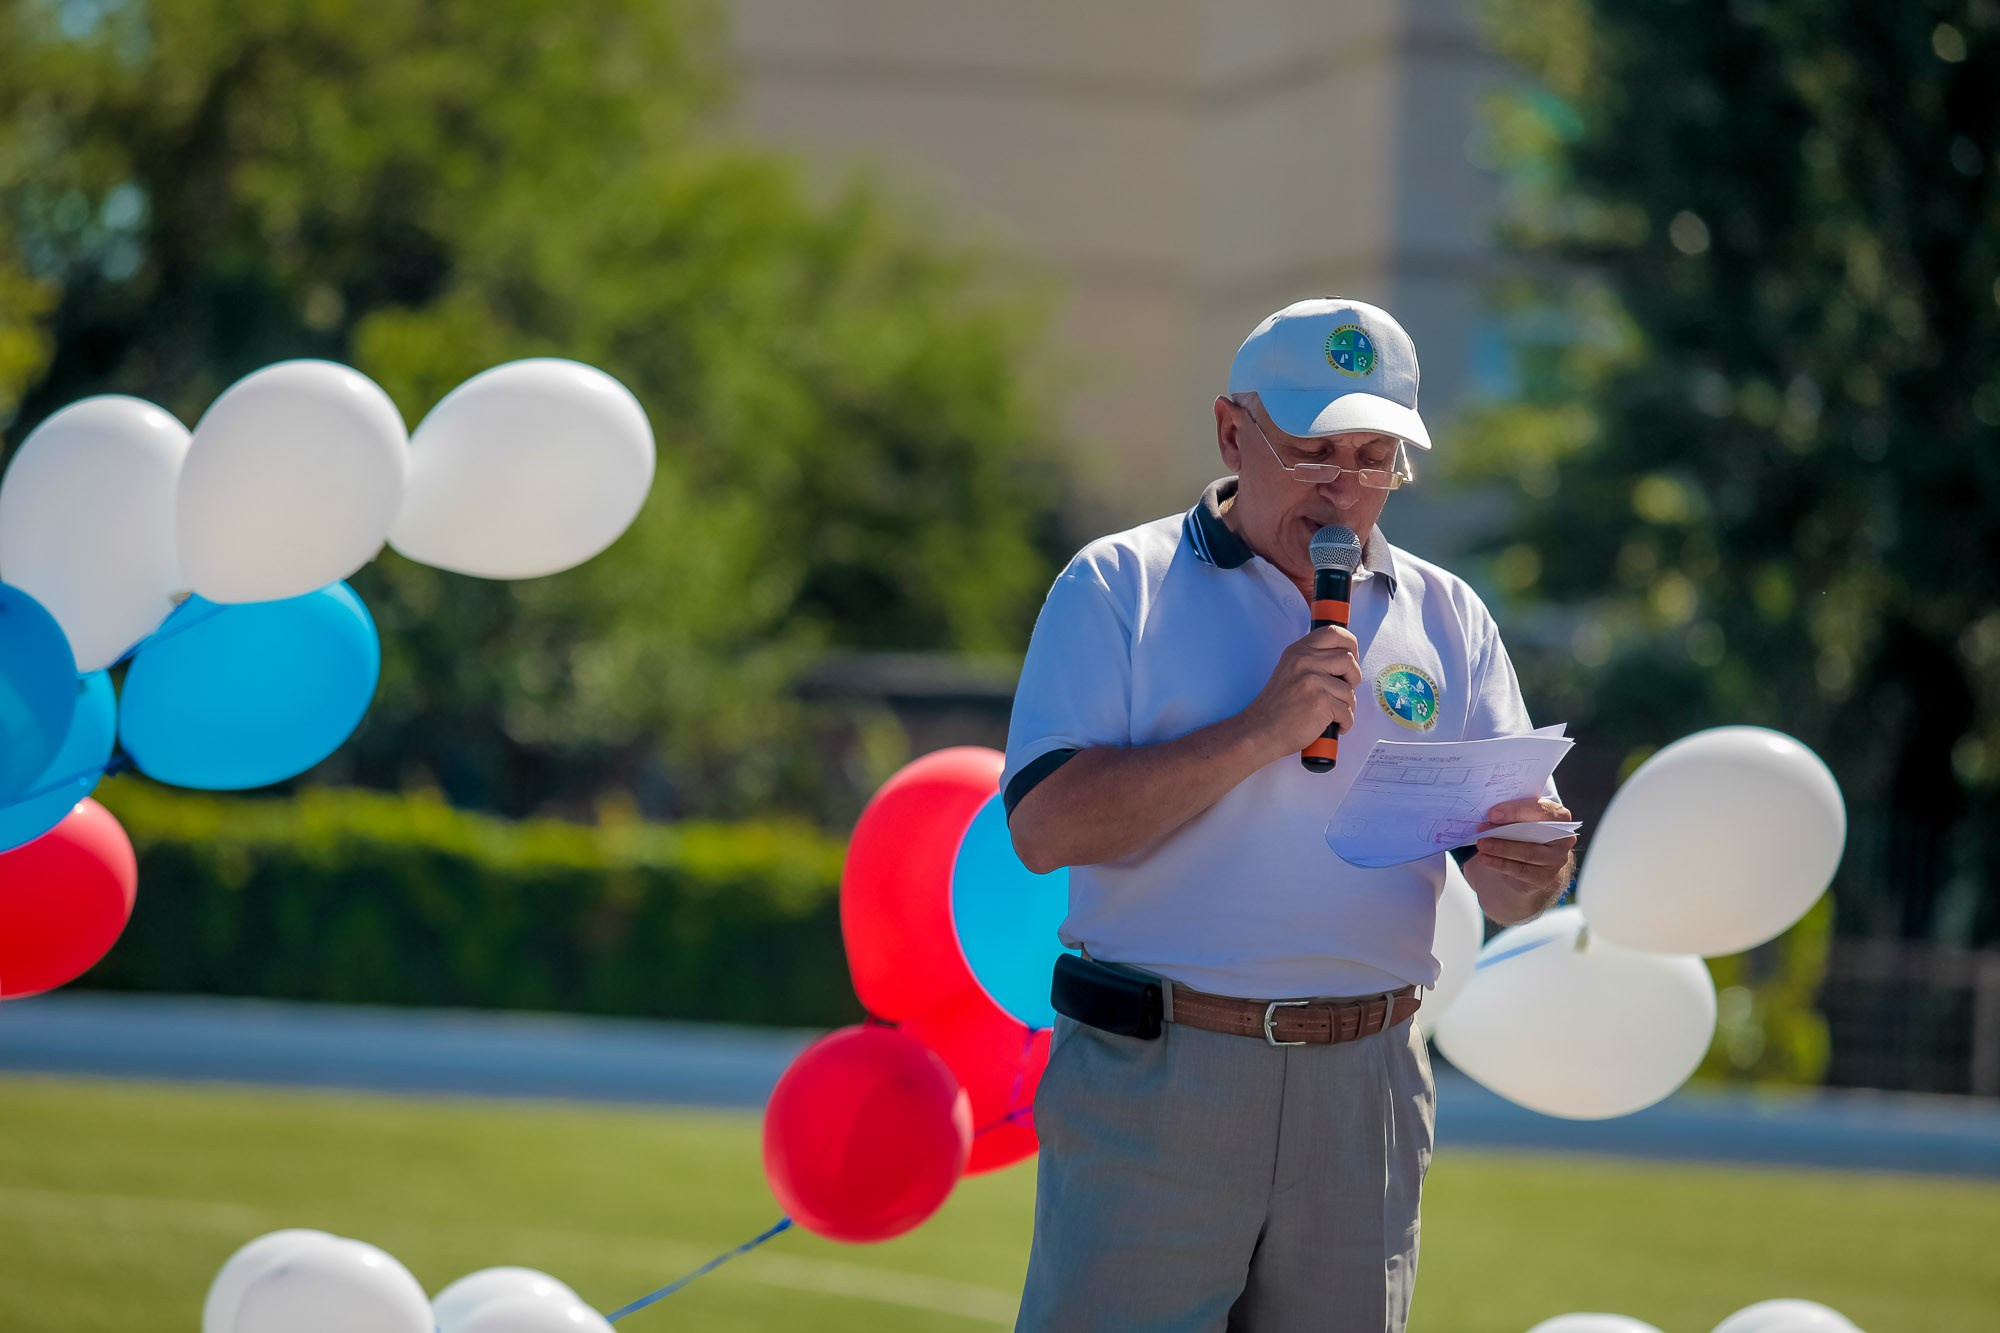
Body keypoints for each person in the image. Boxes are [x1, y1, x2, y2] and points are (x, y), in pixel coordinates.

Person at [1003, 298, 1577, 1333]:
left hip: (1366, 1091)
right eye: (1312, 450)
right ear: (1232, 434)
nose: (1344, 488)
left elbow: (1505, 879)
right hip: (1160, 1077)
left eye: (1374, 457)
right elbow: (1044, 828)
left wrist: (1528, 867)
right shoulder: (1118, 585)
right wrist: (1258, 730)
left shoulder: (1448, 613)